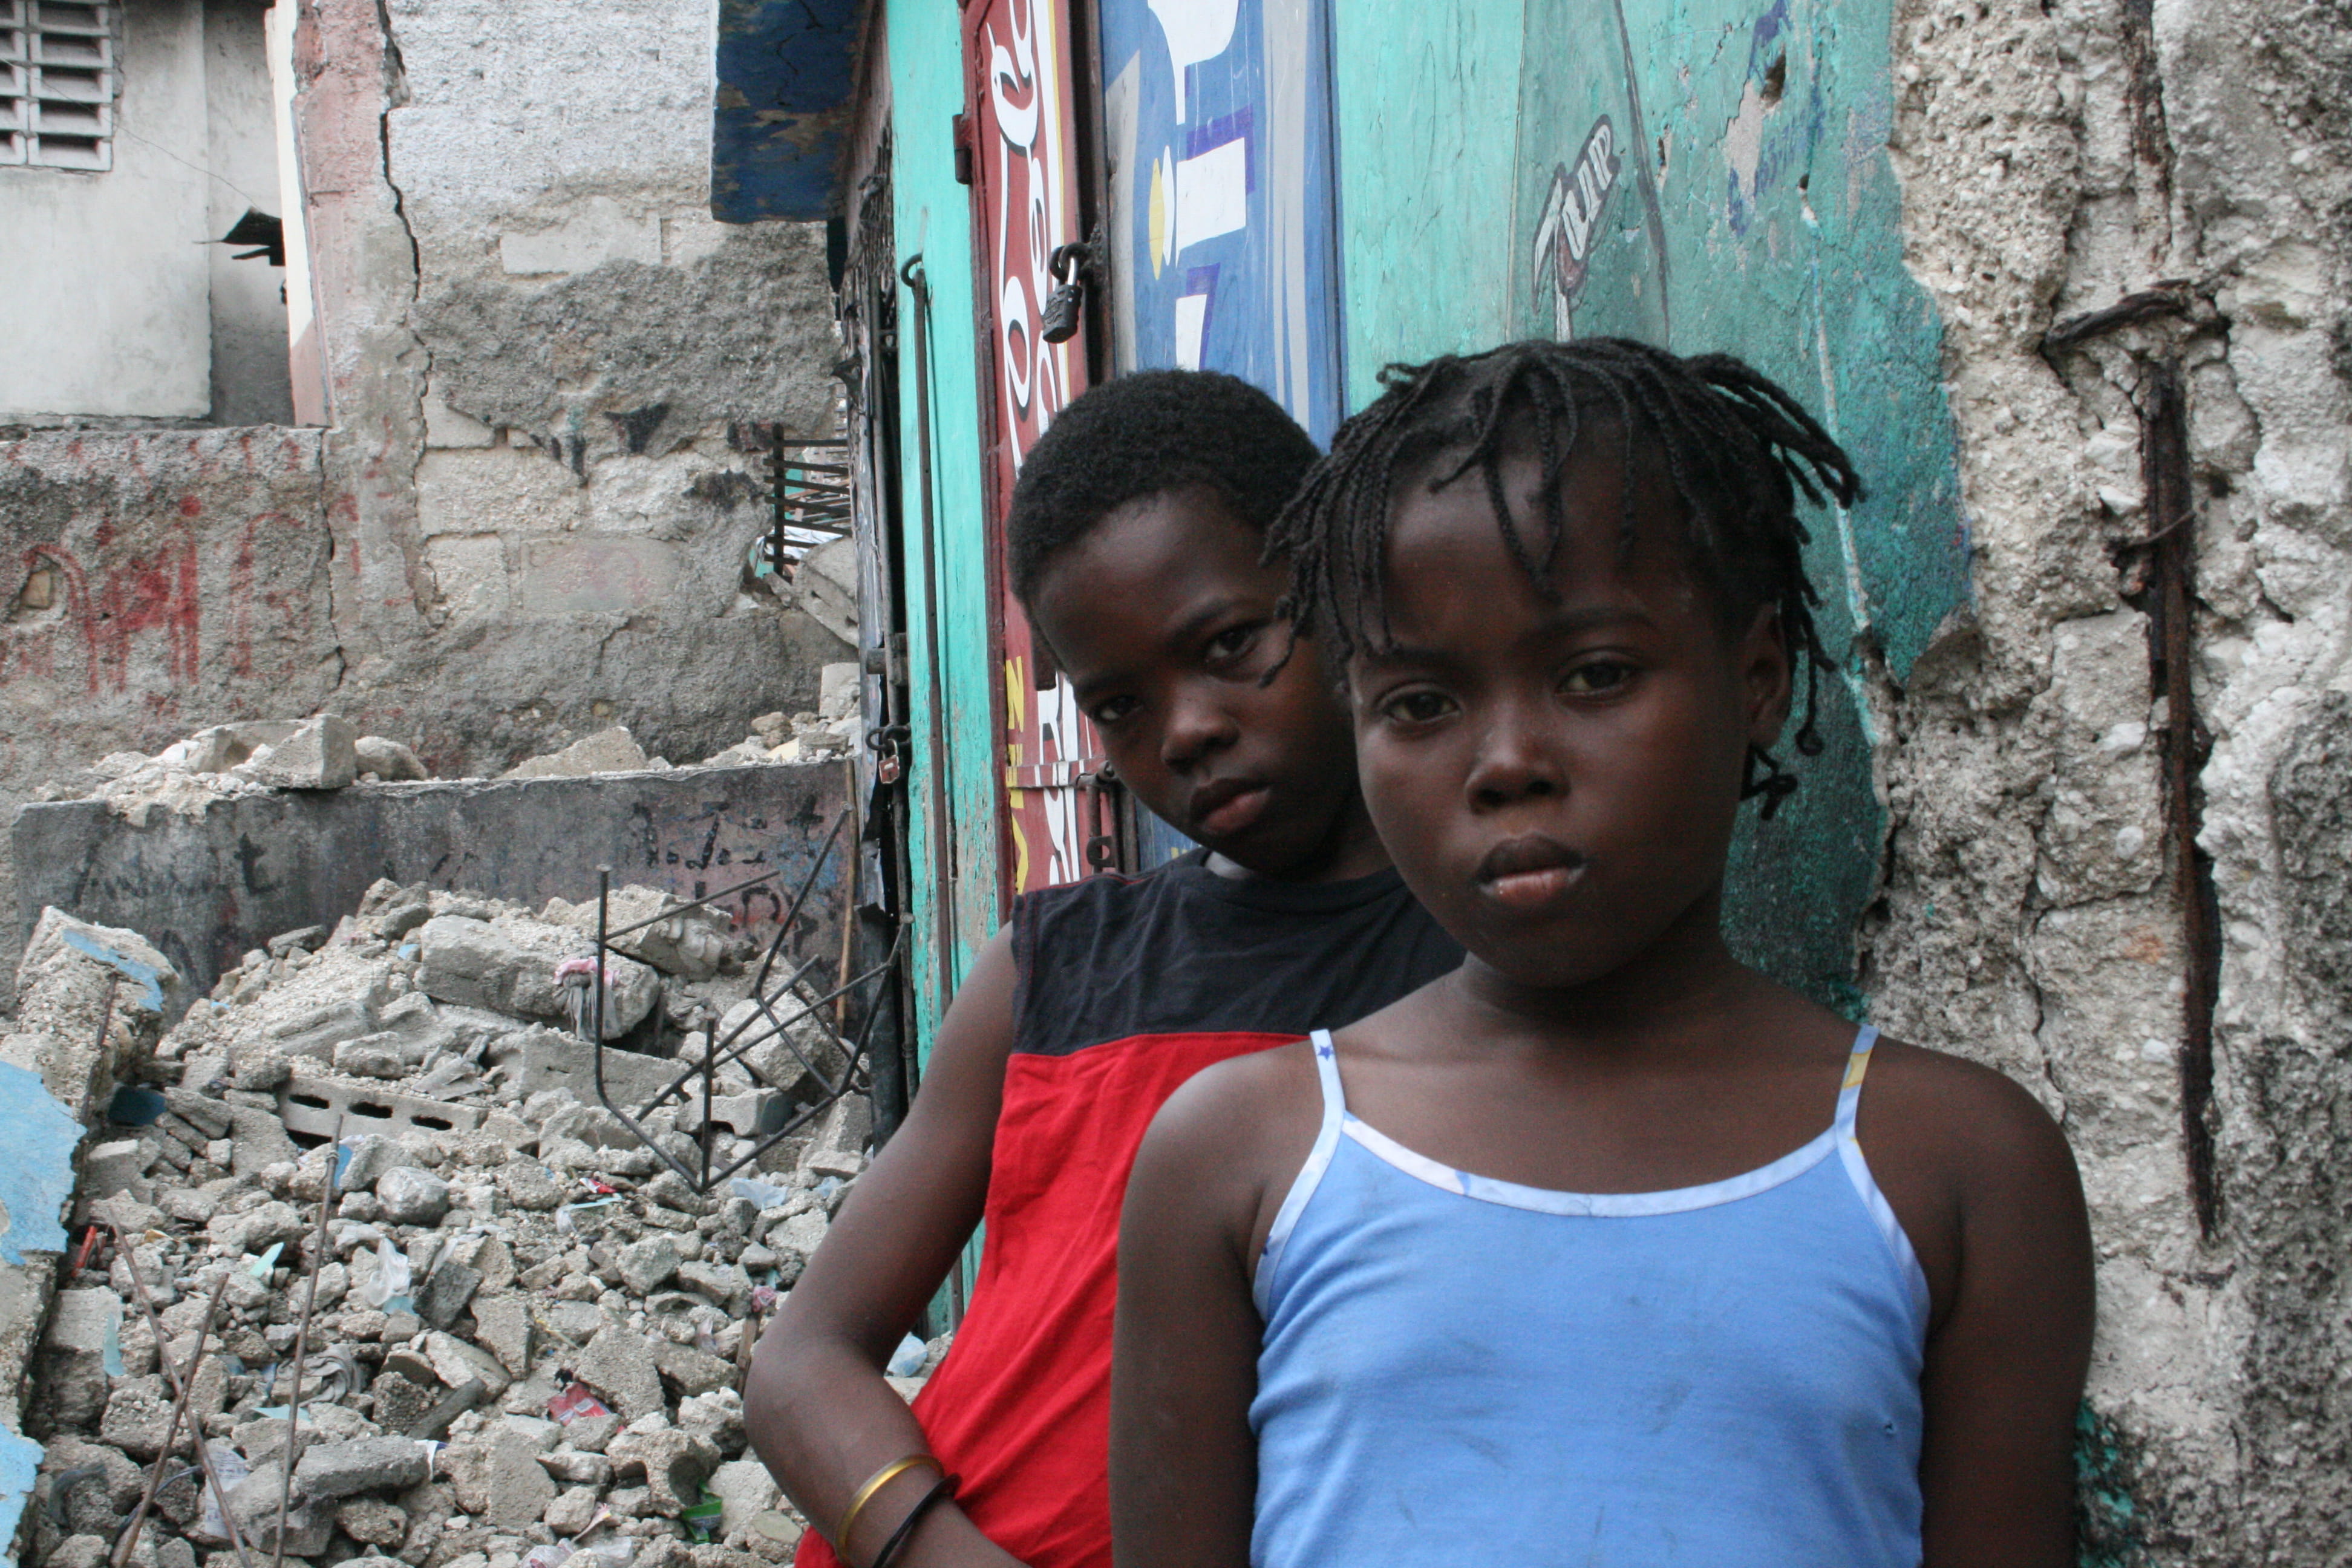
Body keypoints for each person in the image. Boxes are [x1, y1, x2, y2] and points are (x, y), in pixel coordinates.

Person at [1109, 340, 2095, 1567]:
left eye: (1596, 674)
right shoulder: (1243, 1157)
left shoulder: (1954, 1166)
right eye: (1419, 704)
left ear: (1757, 681)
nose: (1508, 760)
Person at [745, 370, 1462, 1568]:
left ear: (1338, 587)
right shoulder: (1054, 970)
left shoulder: (1476, 968)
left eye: (1231, 644)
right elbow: (799, 1363)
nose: (1185, 730)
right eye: (1121, 704)